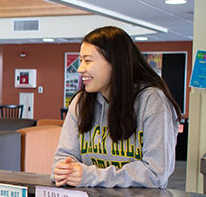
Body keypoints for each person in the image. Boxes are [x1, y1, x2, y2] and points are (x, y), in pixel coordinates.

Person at [53, 25, 182, 188]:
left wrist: (92, 176)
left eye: (88, 60)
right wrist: (63, 170)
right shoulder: (81, 102)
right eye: (80, 61)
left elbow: (156, 172)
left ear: (114, 63)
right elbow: (63, 158)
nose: (80, 69)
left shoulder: (152, 101)